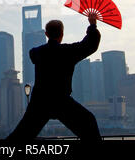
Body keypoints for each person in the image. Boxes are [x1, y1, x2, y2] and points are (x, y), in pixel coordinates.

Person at [6, 12, 101, 141]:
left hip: (40, 101)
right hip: (61, 100)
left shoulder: (37, 52)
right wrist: (92, 25)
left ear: (46, 34)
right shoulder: (68, 52)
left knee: (20, 136)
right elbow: (89, 45)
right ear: (62, 34)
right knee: (89, 124)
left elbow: (32, 54)